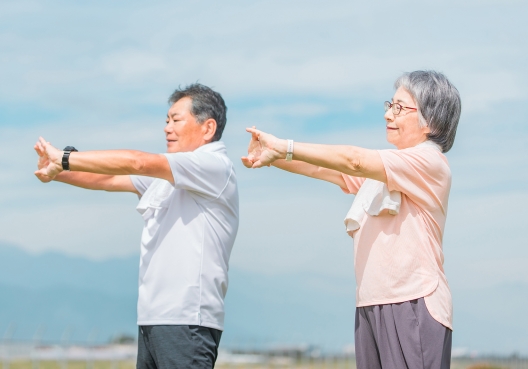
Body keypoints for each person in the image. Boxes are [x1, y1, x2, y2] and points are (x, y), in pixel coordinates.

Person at [242, 71, 461, 369]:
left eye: (400, 108)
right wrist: (275, 156)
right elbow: (327, 170)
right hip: (370, 304)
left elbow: (353, 160)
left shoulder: (429, 162)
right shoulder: (388, 168)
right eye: (389, 104)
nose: (388, 114)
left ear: (431, 121)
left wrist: (286, 146)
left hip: (413, 303)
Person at [33, 84, 239, 369]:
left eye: (176, 120)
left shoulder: (213, 165)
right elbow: (108, 179)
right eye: (166, 121)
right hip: (153, 319)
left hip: (187, 320)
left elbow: (137, 162)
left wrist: (65, 158)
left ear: (207, 128)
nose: (167, 128)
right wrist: (57, 171)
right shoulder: (169, 174)